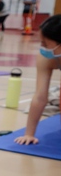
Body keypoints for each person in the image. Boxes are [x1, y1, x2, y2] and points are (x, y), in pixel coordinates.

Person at [14, 15, 61, 145]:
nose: (42, 46)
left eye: (45, 43)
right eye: (41, 42)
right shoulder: (45, 56)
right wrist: (29, 134)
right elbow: (40, 96)